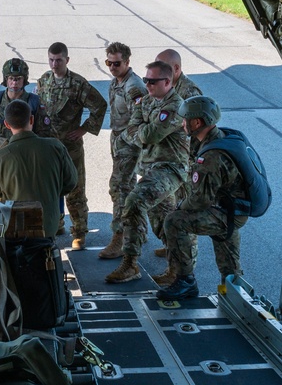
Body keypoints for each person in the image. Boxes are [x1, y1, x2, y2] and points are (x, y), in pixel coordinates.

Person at [156, 97, 249, 301]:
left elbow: (200, 201)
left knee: (174, 221)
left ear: (197, 123)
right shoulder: (215, 138)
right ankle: (232, 291)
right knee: (228, 256)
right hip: (233, 209)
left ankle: (186, 282)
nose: (182, 123)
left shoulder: (211, 155)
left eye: (185, 119)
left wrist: (180, 206)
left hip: (226, 212)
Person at [105, 61, 189, 283]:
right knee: (163, 221)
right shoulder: (148, 101)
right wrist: (140, 131)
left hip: (171, 168)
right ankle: (177, 272)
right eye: (146, 80)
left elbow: (147, 136)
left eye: (152, 81)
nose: (148, 85)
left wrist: (140, 131)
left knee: (134, 201)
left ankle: (130, 263)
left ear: (168, 82)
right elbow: (131, 129)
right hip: (152, 168)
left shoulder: (175, 107)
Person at [35, 42, 107, 249]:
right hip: (48, 147)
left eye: (58, 60)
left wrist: (84, 128)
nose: (54, 64)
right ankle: (56, 224)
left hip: (70, 148)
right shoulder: (44, 81)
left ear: (67, 60)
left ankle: (79, 232)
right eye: (51, 59)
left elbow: (100, 106)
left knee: (74, 190)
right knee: (50, 189)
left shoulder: (78, 84)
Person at [0, 99, 78, 238]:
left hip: (17, 226)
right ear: (31, 119)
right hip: (49, 225)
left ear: (6, 124)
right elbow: (71, 182)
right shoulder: (55, 147)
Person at [101, 41, 148, 260]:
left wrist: (124, 141)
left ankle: (119, 238)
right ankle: (138, 231)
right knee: (127, 188)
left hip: (128, 143)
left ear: (127, 62)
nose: (112, 67)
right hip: (118, 139)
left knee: (119, 188)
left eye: (116, 63)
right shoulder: (117, 82)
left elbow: (138, 121)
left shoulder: (133, 86)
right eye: (108, 62)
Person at [0, 58, 54, 152]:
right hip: (0, 155)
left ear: (24, 80)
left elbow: (45, 134)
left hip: (25, 156)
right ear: (6, 79)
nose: (14, 83)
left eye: (18, 79)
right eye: (11, 78)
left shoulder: (33, 102)